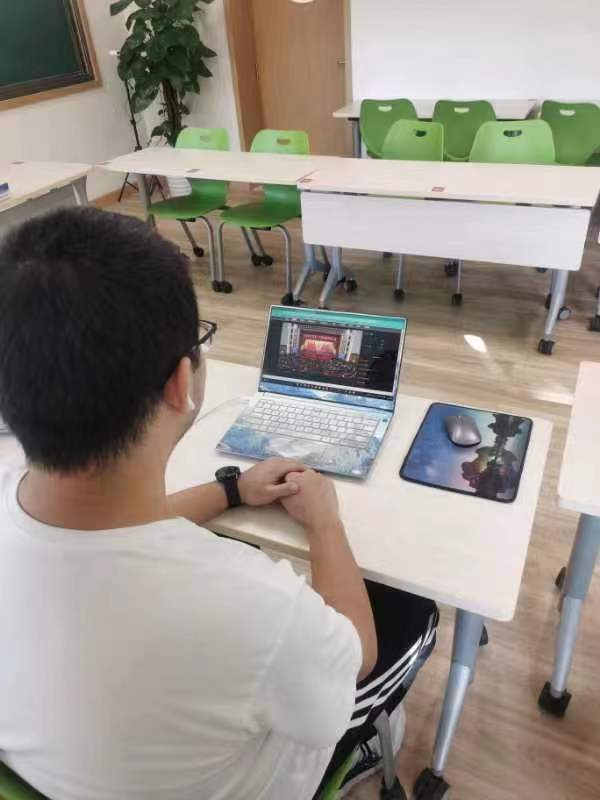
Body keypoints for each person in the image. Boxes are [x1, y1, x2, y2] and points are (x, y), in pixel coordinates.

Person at [0, 208, 437, 800]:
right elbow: (356, 654)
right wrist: (325, 523)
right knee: (412, 609)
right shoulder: (255, 606)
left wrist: (230, 490)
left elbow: (112, 536)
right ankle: (366, 746)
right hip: (259, 777)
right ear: (181, 383)